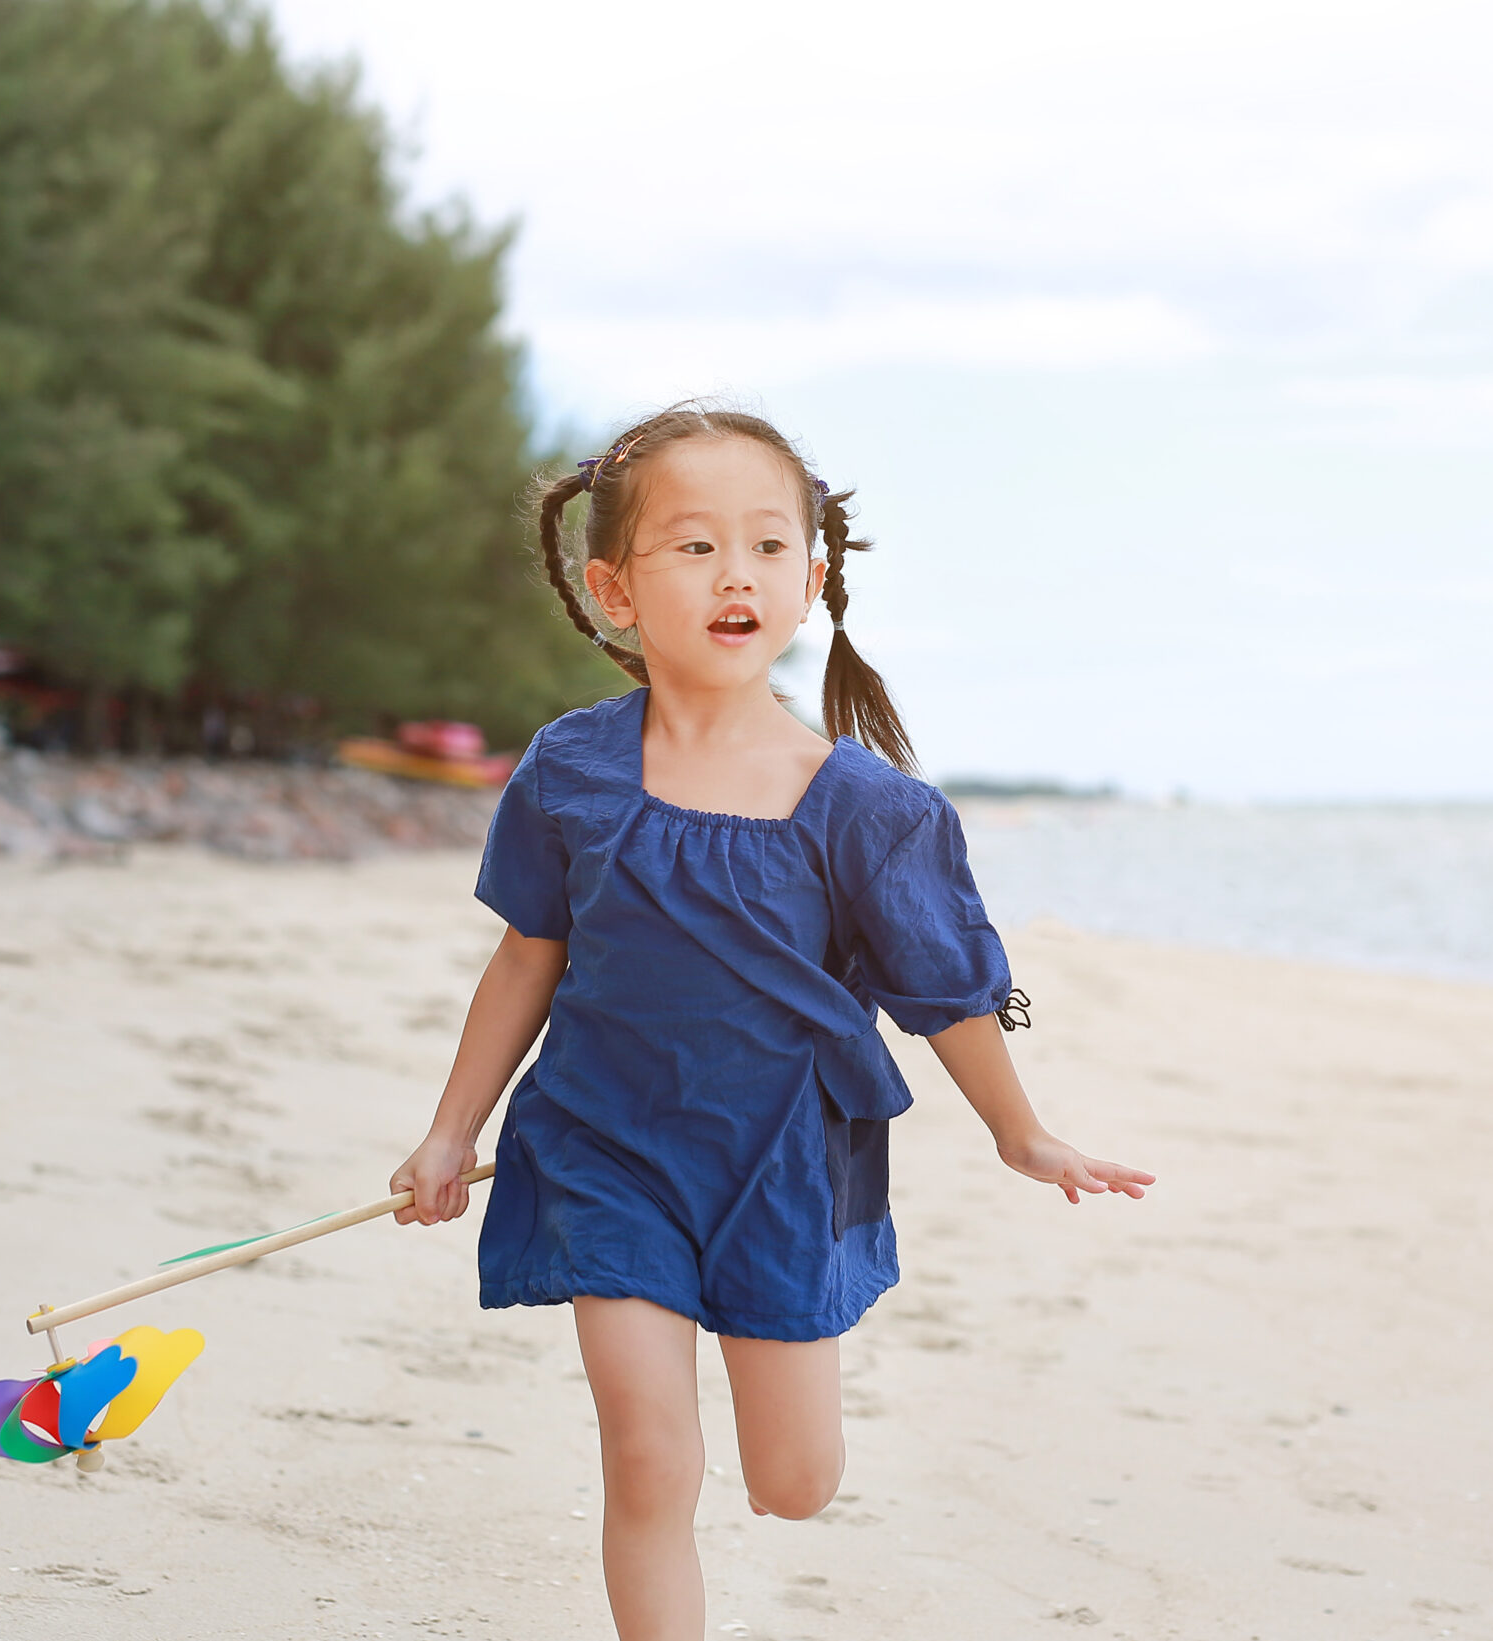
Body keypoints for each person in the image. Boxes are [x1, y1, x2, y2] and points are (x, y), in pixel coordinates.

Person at [390, 403, 1154, 1640]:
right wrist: (447, 1131)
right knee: (649, 1458)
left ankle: (794, 1446)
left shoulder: (864, 807)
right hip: (603, 1147)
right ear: (613, 589)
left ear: (811, 579)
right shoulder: (570, 771)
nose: (734, 573)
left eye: (767, 545)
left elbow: (943, 998)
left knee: (793, 1486)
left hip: (787, 1162)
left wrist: (1023, 1133)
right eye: (692, 547)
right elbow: (530, 953)